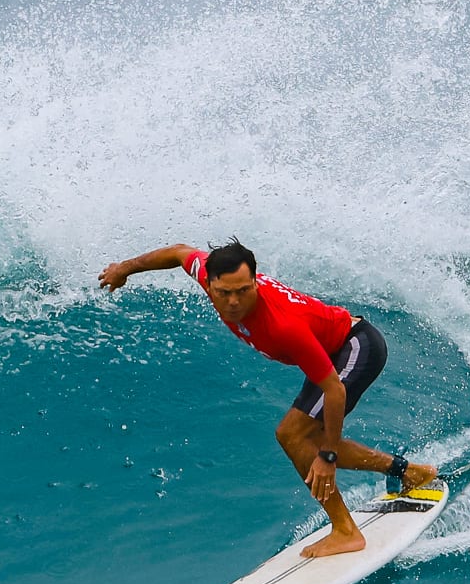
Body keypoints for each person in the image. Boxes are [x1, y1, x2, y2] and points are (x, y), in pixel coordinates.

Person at [98, 238, 439, 557]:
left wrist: (330, 457)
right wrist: (124, 269)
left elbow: (334, 390)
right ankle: (409, 472)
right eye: (224, 292)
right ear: (209, 282)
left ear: (256, 284)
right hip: (330, 352)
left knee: (295, 436)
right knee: (300, 438)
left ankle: (347, 532)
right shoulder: (206, 273)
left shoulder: (282, 325)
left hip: (354, 347)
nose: (233, 302)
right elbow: (178, 252)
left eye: (244, 292)